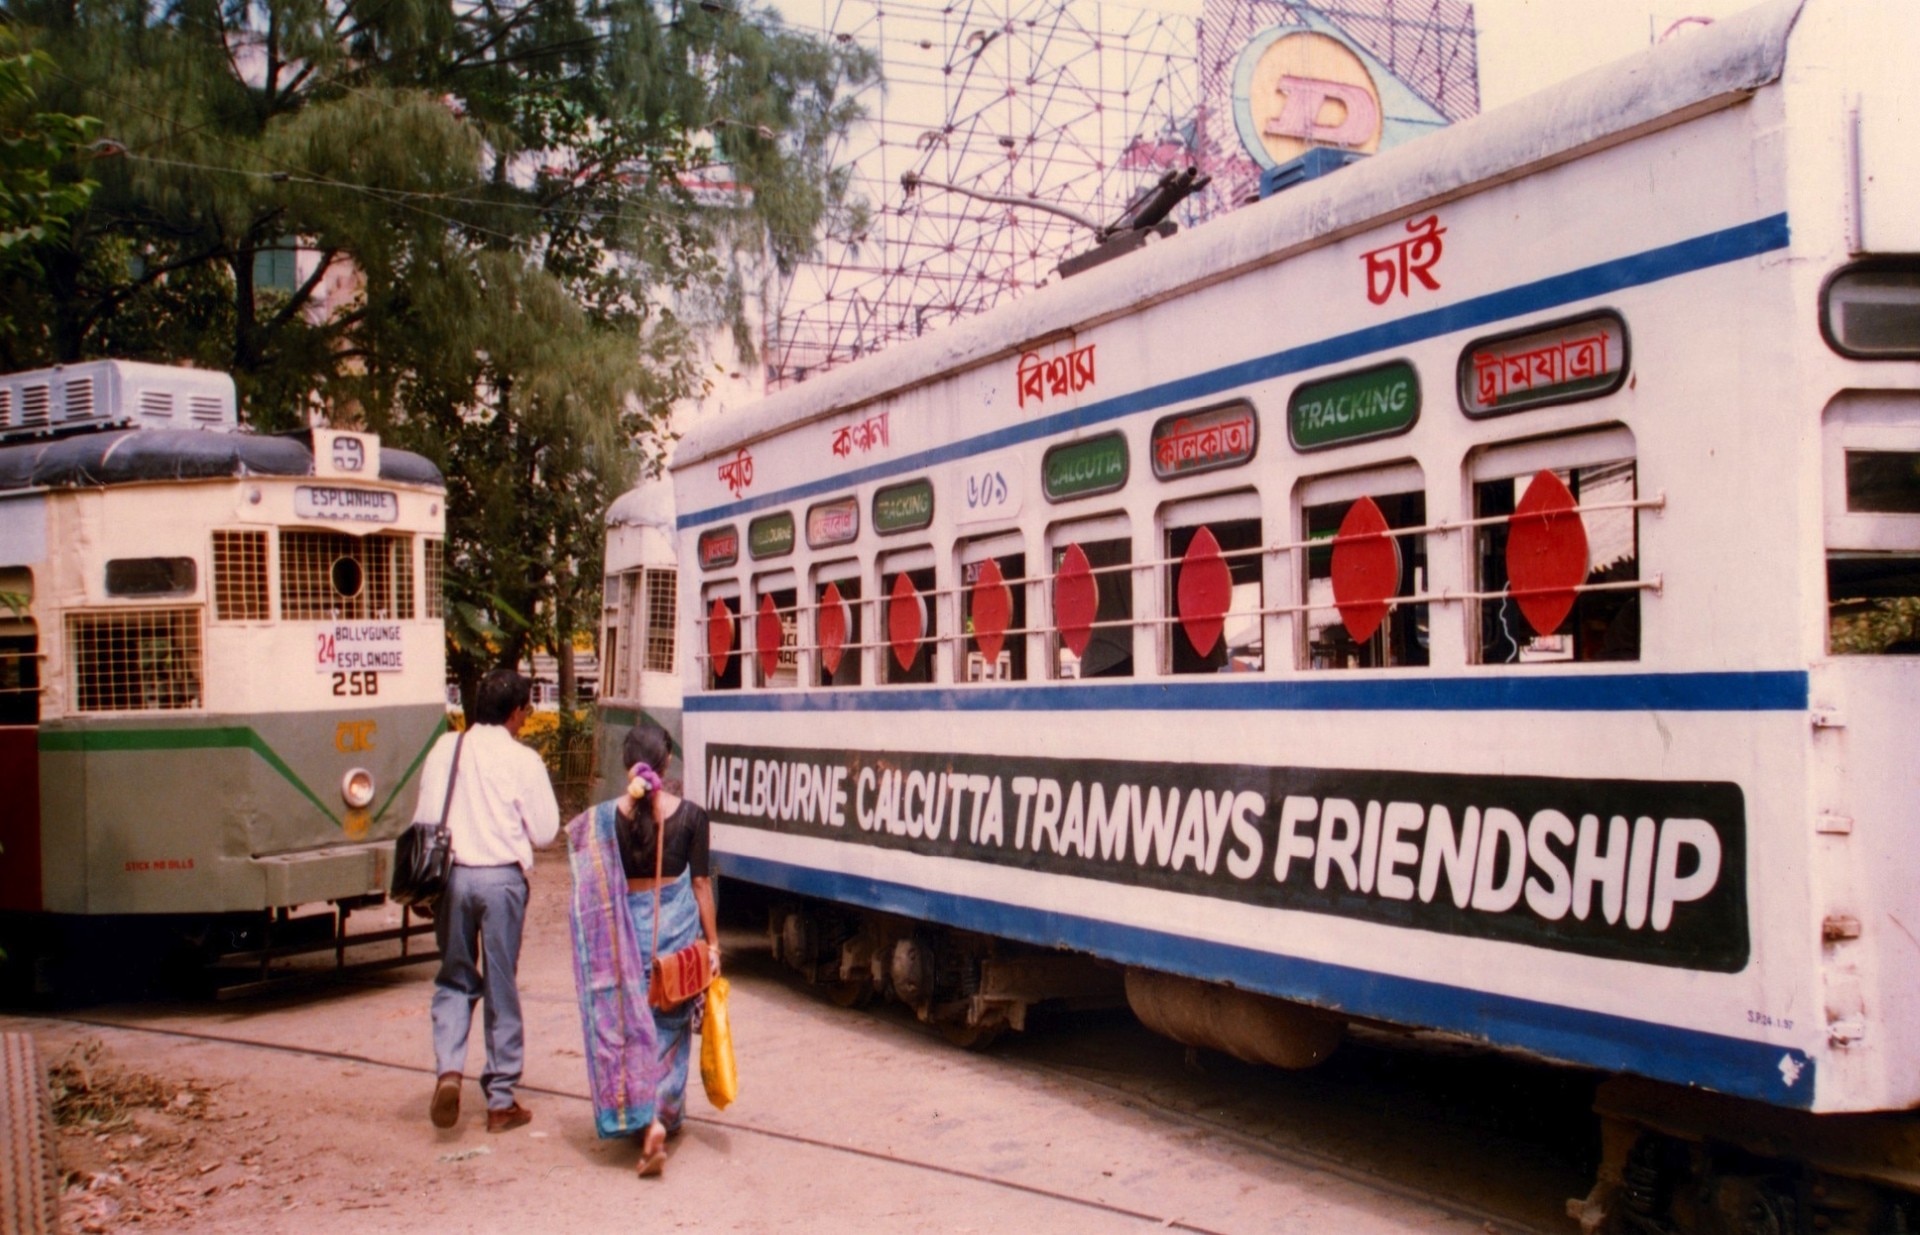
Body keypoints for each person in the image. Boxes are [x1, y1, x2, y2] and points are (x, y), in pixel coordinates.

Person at [564, 722, 718, 1178]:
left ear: (626, 764)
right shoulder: (692, 816)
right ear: (666, 763)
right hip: (673, 932)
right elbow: (702, 884)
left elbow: (578, 857)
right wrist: (713, 943)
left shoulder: (603, 821)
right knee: (668, 1021)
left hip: (623, 934)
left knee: (629, 1026)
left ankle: (635, 1113)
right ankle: (657, 1120)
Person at [418, 668, 561, 1134]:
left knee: (455, 978)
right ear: (516, 712)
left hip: (453, 880)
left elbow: (424, 820)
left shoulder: (445, 748)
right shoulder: (523, 761)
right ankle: (500, 1101)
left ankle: (449, 1071)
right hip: (501, 882)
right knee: (501, 985)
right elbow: (543, 832)